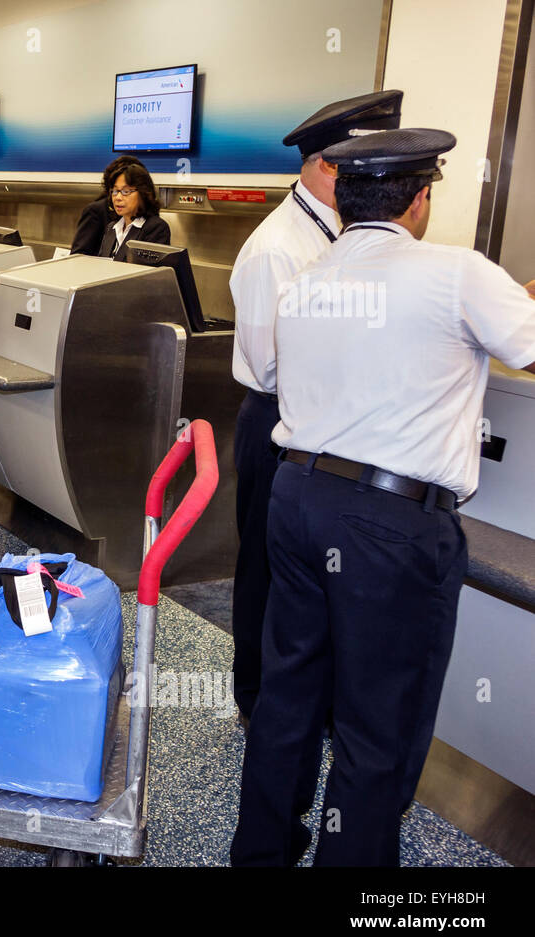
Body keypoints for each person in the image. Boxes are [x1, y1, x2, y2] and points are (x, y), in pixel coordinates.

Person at [231, 129, 535, 867]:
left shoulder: (309, 277)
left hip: (297, 497)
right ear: (421, 198)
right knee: (379, 721)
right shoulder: (458, 272)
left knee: (290, 692)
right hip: (391, 524)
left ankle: (262, 854)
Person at [226, 90, 404, 727]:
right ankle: (257, 700)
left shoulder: (340, 237)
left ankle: (302, 697)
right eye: (364, 165)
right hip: (279, 423)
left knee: (312, 579)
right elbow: (273, 364)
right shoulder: (281, 247)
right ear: (327, 166)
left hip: (323, 429)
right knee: (267, 572)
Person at [95, 163, 169, 259]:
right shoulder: (111, 227)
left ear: (143, 193)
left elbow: (147, 272)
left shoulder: (156, 228)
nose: (118, 197)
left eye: (126, 191)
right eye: (115, 191)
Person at [70, 154, 140, 255]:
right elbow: (79, 253)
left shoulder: (150, 223)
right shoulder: (96, 211)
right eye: (117, 190)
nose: (119, 197)